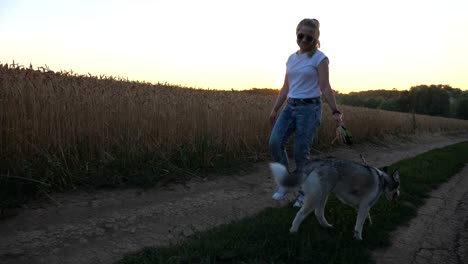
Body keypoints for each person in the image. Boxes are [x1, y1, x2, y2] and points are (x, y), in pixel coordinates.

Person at [269, 18, 345, 207]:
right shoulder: (291, 59)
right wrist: (275, 108)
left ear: (316, 39)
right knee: (275, 142)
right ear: (296, 34)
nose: (304, 40)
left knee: (301, 153)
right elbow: (286, 87)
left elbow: (325, 86)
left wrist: (335, 111)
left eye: (309, 38)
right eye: (300, 35)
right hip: (290, 106)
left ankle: (304, 193)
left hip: (309, 109)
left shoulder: (320, 58)